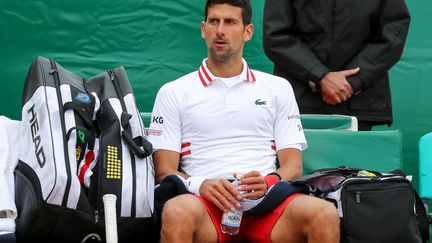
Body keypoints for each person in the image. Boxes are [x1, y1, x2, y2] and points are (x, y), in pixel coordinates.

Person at [148, 0, 340, 242]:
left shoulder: (278, 88)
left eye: (230, 22)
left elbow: (293, 166)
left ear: (247, 31)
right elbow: (164, 170)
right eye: (214, 21)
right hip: (204, 205)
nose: (220, 30)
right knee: (176, 211)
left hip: (268, 206)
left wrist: (268, 182)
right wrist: (202, 184)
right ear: (203, 29)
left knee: (324, 213)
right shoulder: (173, 91)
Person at [263, 0, 411, 131]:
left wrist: (352, 82)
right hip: (299, 104)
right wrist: (320, 76)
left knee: (354, 162)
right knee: (298, 163)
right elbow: (276, 37)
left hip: (359, 103)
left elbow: (394, 31)